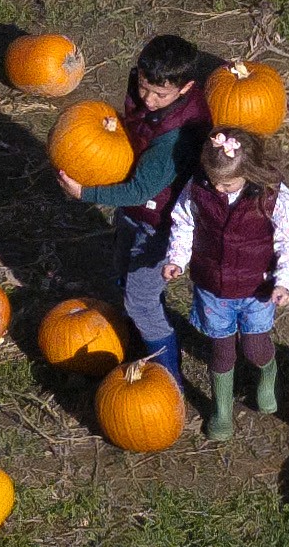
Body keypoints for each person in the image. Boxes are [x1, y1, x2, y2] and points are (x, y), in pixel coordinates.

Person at [55, 35, 205, 367]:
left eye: (159, 94)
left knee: (140, 301)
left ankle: (166, 373)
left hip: (161, 226)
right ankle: (141, 336)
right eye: (143, 87)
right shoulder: (153, 101)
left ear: (185, 88)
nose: (148, 100)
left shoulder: (175, 140)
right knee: (125, 275)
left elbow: (139, 190)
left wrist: (87, 193)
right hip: (135, 215)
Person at [161, 124, 289, 440]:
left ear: (248, 172)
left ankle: (267, 376)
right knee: (222, 352)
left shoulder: (271, 195)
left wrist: (283, 282)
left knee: (255, 347)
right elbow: (183, 225)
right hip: (214, 288)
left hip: (257, 288)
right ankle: (221, 410)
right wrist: (176, 259)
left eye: (226, 184)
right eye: (214, 182)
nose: (218, 188)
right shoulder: (197, 189)